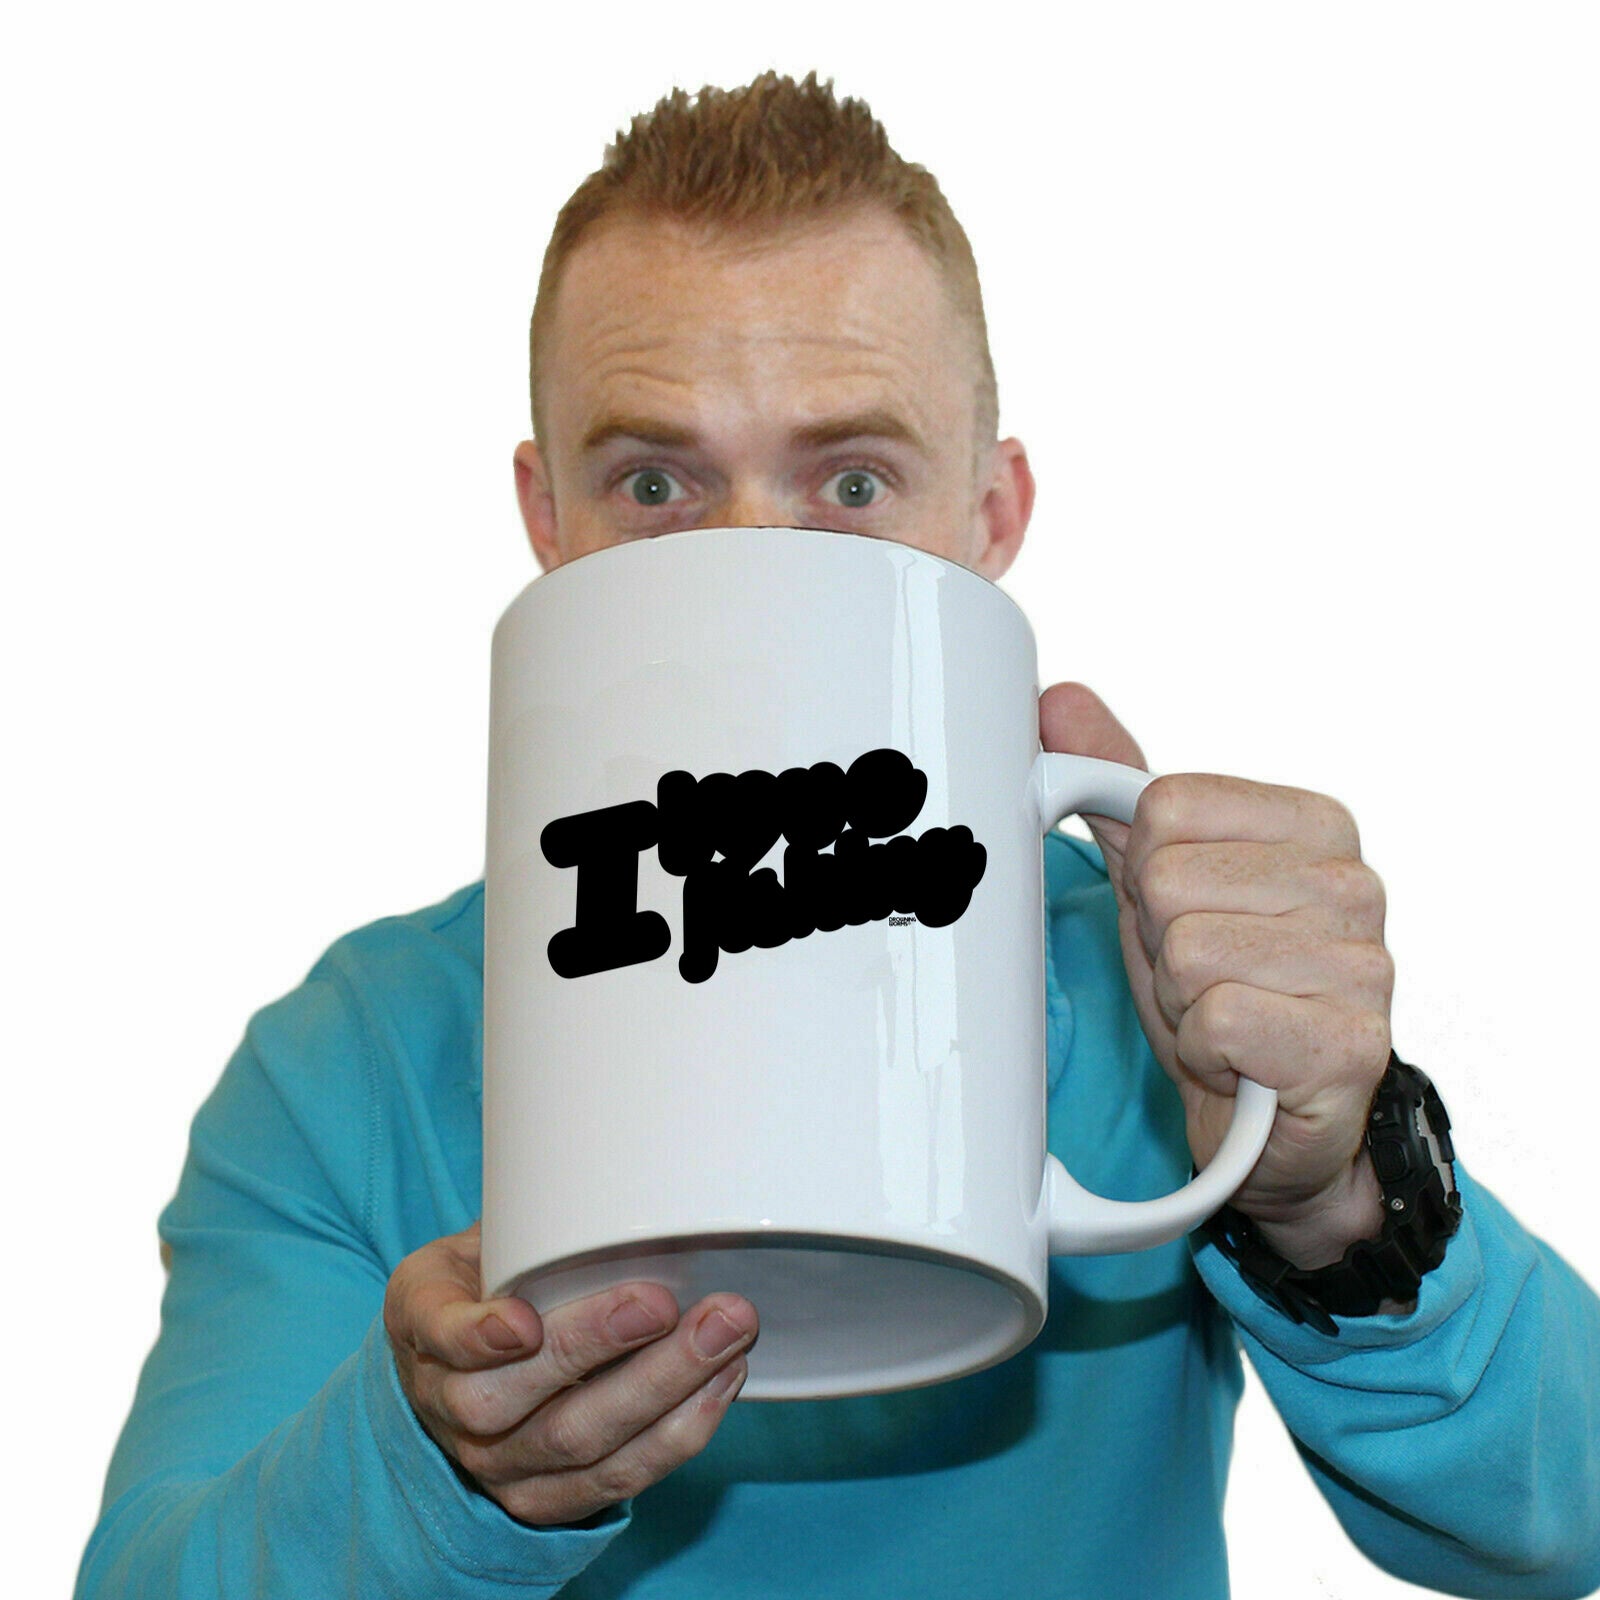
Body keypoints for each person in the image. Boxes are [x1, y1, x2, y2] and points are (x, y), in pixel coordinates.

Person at [75, 70, 1600, 1600]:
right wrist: (432, 1476)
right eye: (654, 482)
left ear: (991, 517)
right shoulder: (350, 1068)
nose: (753, 566)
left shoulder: (1170, 999)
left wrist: (1332, 1199)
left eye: (853, 481)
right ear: (547, 522)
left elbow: (1566, 1525)